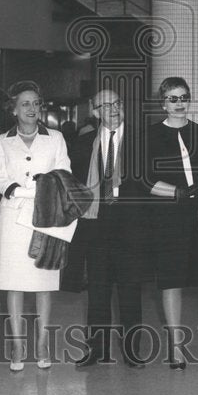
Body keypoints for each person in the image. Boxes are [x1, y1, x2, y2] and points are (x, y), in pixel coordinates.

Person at [144, 76, 198, 368]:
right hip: (168, 216)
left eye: (183, 97)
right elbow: (144, 181)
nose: (179, 104)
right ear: (163, 103)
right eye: (172, 98)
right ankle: (176, 349)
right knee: (171, 281)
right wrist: (177, 192)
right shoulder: (149, 135)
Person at [0, 81, 71, 371]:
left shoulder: (56, 138)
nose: (32, 109)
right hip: (12, 217)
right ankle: (17, 345)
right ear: (13, 109)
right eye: (25, 104)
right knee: (14, 284)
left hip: (46, 217)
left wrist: (43, 187)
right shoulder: (2, 141)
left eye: (36, 103)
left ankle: (41, 344)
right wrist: (18, 190)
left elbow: (65, 173)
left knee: (42, 283)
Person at [68, 88, 149, 368]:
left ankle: (132, 351)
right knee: (98, 292)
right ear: (95, 111)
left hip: (132, 226)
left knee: (130, 291)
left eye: (117, 103)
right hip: (95, 225)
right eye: (105, 105)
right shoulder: (83, 143)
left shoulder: (142, 140)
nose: (113, 109)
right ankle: (96, 349)